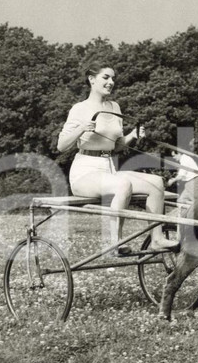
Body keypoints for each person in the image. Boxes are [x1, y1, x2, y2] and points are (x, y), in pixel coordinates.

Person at [57, 54, 179, 254]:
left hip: (109, 171)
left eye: (113, 78)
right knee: (122, 184)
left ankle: (157, 239)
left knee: (156, 183)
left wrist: (132, 136)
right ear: (91, 79)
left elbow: (116, 146)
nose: (111, 82)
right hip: (84, 174)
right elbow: (61, 146)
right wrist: (81, 128)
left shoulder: (115, 107)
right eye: (106, 77)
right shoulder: (79, 109)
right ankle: (115, 243)